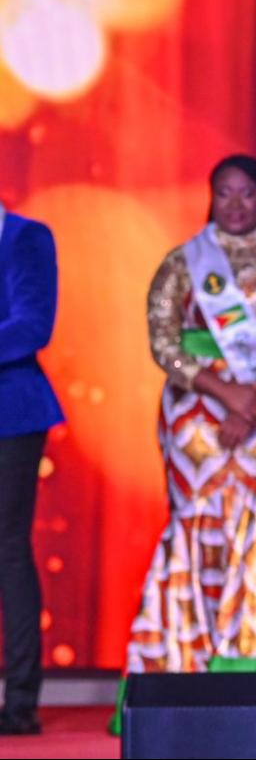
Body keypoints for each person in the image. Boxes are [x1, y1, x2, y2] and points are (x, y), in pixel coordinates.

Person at [123, 157, 256, 687]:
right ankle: (184, 665)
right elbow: (164, 341)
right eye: (224, 193)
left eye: (248, 194)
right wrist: (226, 394)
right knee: (200, 522)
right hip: (198, 413)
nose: (236, 205)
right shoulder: (184, 262)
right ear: (211, 196)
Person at [0, 199, 58, 739]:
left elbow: (32, 325)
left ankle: (19, 701)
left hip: (10, 413)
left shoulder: (25, 237)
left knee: (7, 549)